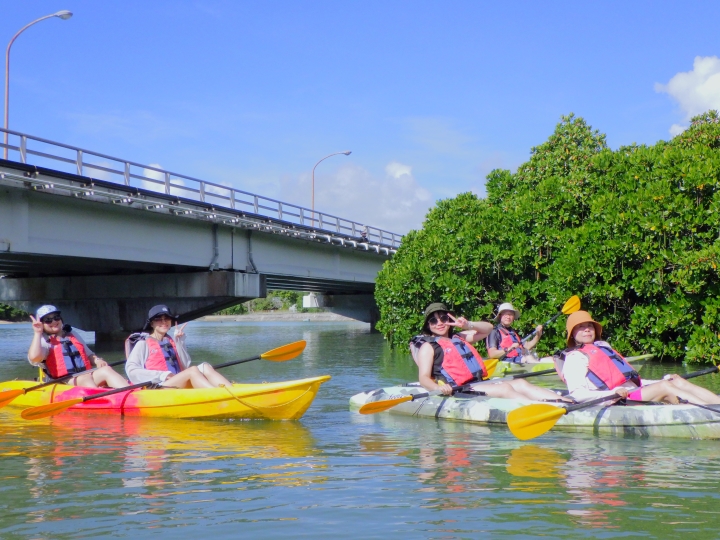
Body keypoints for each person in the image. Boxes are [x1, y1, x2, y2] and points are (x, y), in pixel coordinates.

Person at [410, 302, 570, 401]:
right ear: (428, 325)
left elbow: (488, 329)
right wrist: (438, 388)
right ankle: (541, 408)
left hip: (478, 383)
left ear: (450, 320)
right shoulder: (428, 347)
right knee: (505, 388)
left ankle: (564, 401)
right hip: (460, 389)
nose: (439, 323)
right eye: (433, 320)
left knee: (521, 383)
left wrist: (468, 325)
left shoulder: (459, 336)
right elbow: (423, 378)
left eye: (443, 319)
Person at [561, 310, 720, 405]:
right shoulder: (575, 358)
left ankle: (716, 405)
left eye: (589, 326)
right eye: (580, 327)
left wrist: (660, 379)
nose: (587, 330)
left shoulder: (603, 347)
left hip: (634, 392)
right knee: (665, 387)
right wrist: (614, 393)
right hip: (616, 400)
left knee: (674, 381)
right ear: (573, 334)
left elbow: (630, 381)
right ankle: (712, 414)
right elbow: (578, 395)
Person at [125, 305, 232, 388]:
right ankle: (217, 396)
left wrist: (179, 342)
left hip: (176, 382)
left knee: (205, 367)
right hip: (158, 387)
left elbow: (185, 366)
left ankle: (231, 391)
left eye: (167, 318)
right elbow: (131, 371)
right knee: (193, 370)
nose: (164, 322)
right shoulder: (143, 344)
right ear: (152, 324)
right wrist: (162, 375)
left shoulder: (172, 341)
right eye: (159, 319)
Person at [27, 305, 128, 388]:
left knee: (106, 370)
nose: (53, 321)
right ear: (42, 324)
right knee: (85, 378)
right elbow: (35, 358)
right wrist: (37, 333)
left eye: (56, 317)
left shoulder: (72, 334)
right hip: (63, 382)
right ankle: (103, 400)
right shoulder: (43, 341)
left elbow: (88, 354)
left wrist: (97, 360)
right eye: (48, 320)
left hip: (85, 376)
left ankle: (130, 393)